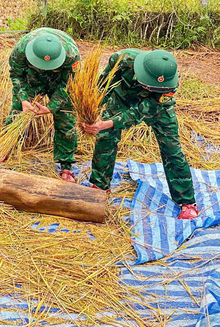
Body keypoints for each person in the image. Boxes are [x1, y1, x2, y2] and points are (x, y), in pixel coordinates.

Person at [81, 49, 199, 220]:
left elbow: (140, 112)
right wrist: (92, 114)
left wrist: (106, 124)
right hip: (122, 98)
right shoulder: (122, 59)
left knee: (172, 150)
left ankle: (187, 201)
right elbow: (103, 86)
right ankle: (100, 185)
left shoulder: (168, 86)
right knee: (105, 136)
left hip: (156, 108)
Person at [0, 27, 80, 183]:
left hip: (59, 80)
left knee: (66, 119)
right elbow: (16, 75)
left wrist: (51, 107)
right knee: (17, 112)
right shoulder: (20, 50)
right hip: (32, 79)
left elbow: (69, 85)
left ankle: (66, 166)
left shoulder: (71, 55)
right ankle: (4, 149)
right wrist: (24, 99)